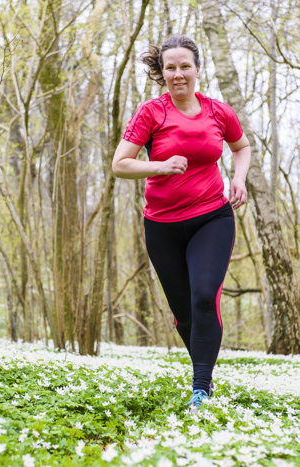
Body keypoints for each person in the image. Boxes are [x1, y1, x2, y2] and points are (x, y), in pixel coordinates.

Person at [111, 35, 251, 414]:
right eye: (170, 67)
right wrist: (159, 164)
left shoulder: (218, 112)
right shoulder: (151, 113)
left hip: (211, 216)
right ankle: (204, 372)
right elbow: (120, 164)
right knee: (184, 312)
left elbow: (241, 147)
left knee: (205, 296)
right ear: (163, 72)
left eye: (185, 66)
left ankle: (200, 389)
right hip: (162, 226)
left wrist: (238, 179)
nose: (178, 74)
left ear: (197, 69)